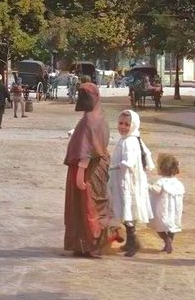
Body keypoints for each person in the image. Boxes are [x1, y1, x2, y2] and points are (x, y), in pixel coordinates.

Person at [63, 83, 111, 258]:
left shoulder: (91, 120)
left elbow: (88, 148)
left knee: (89, 206)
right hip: (91, 167)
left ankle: (93, 244)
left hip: (88, 169)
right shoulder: (97, 116)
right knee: (82, 207)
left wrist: (81, 172)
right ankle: (81, 244)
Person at [108, 109, 155, 257]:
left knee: (127, 209)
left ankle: (133, 241)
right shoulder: (131, 139)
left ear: (133, 125)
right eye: (120, 123)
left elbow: (128, 162)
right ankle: (130, 241)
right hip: (125, 179)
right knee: (126, 209)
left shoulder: (129, 141)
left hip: (127, 181)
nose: (122, 127)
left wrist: (111, 167)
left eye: (126, 124)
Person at [149, 154, 185, 255]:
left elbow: (155, 190)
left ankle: (166, 240)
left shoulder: (161, 181)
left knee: (160, 228)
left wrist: (146, 186)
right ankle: (169, 240)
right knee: (172, 228)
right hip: (174, 212)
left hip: (163, 209)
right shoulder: (178, 183)